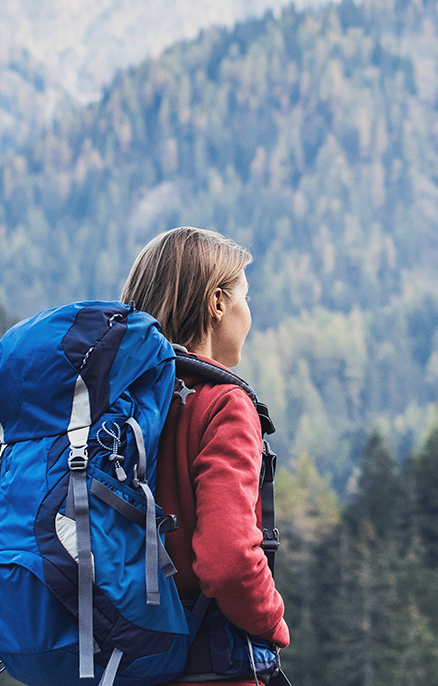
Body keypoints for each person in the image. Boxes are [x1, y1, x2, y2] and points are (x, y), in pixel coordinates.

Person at [120, 227, 289, 683]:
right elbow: (226, 559)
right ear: (217, 304)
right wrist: (272, 619)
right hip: (209, 666)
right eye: (244, 298)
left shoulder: (118, 406)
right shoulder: (222, 405)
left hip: (123, 661)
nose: (248, 314)